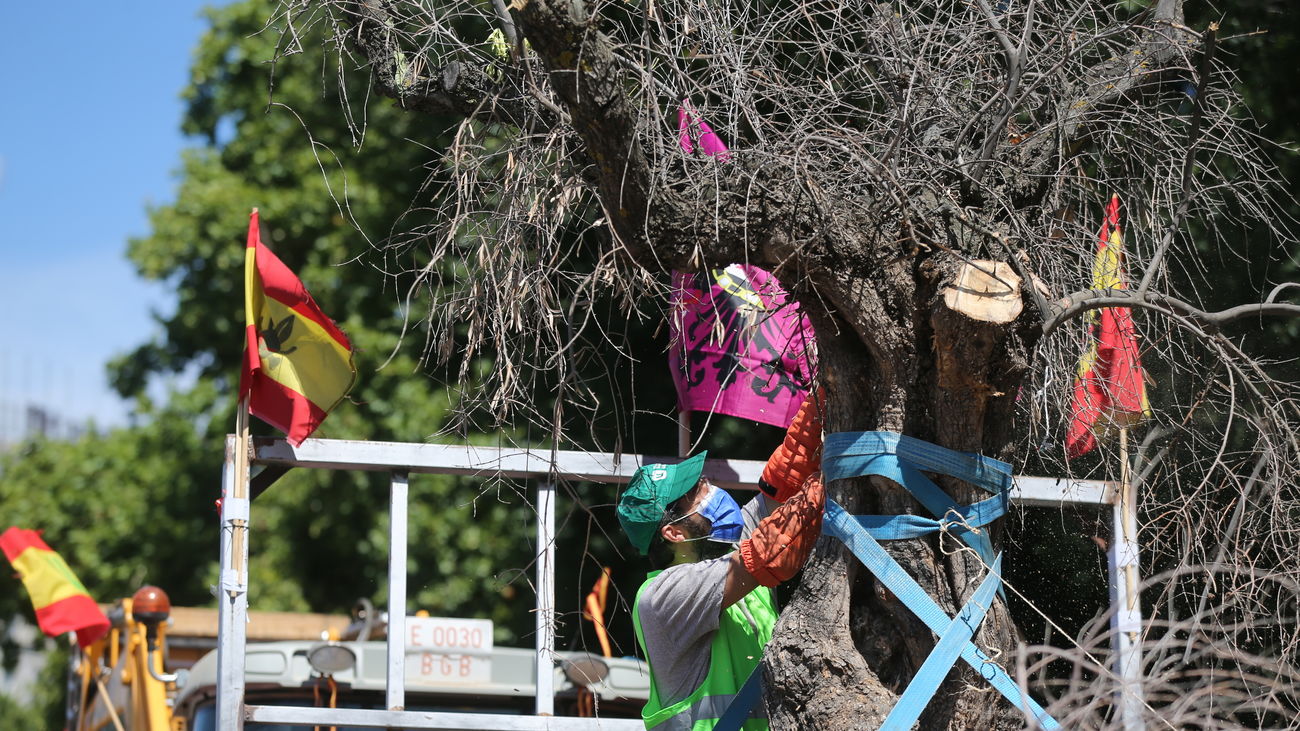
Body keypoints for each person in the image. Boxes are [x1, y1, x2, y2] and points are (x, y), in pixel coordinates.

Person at [617, 394, 826, 730]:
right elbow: (772, 550)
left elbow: (785, 482)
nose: (710, 488)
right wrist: (832, 478)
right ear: (674, 533)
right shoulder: (662, 596)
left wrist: (818, 403)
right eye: (695, 493)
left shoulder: (723, 556)